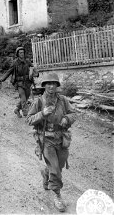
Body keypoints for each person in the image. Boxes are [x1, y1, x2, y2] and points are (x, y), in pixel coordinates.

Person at [26, 72, 76, 213]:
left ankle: (46, 173)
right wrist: (42, 114)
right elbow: (29, 119)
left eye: (53, 83)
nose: (51, 86)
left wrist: (66, 119)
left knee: (58, 167)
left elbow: (73, 114)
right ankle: (57, 196)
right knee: (56, 170)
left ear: (57, 86)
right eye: (48, 83)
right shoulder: (39, 102)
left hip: (61, 139)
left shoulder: (63, 100)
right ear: (44, 86)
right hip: (46, 140)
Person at [1, 46, 38, 118]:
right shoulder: (15, 63)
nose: (22, 54)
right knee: (23, 98)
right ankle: (26, 114)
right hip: (19, 83)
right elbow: (9, 71)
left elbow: (33, 69)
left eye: (23, 52)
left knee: (26, 97)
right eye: (20, 53)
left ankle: (17, 109)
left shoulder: (27, 61)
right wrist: (2, 79)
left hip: (27, 83)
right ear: (17, 54)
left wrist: (36, 73)